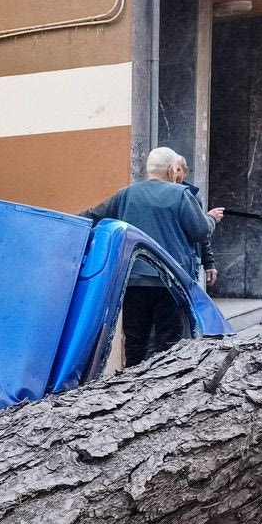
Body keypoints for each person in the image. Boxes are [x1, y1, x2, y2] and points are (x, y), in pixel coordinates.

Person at [82, 147, 221, 365]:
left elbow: (92, 216)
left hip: (134, 281)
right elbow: (200, 231)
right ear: (171, 170)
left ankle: (131, 387)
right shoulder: (181, 195)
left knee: (136, 341)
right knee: (168, 343)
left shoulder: (127, 194)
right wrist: (211, 218)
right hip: (170, 283)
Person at [174, 155, 218, 289]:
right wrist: (211, 218)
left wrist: (209, 263)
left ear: (185, 172)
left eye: (178, 170)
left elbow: (201, 233)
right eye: (172, 169)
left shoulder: (191, 197)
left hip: (189, 264)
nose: (174, 174)